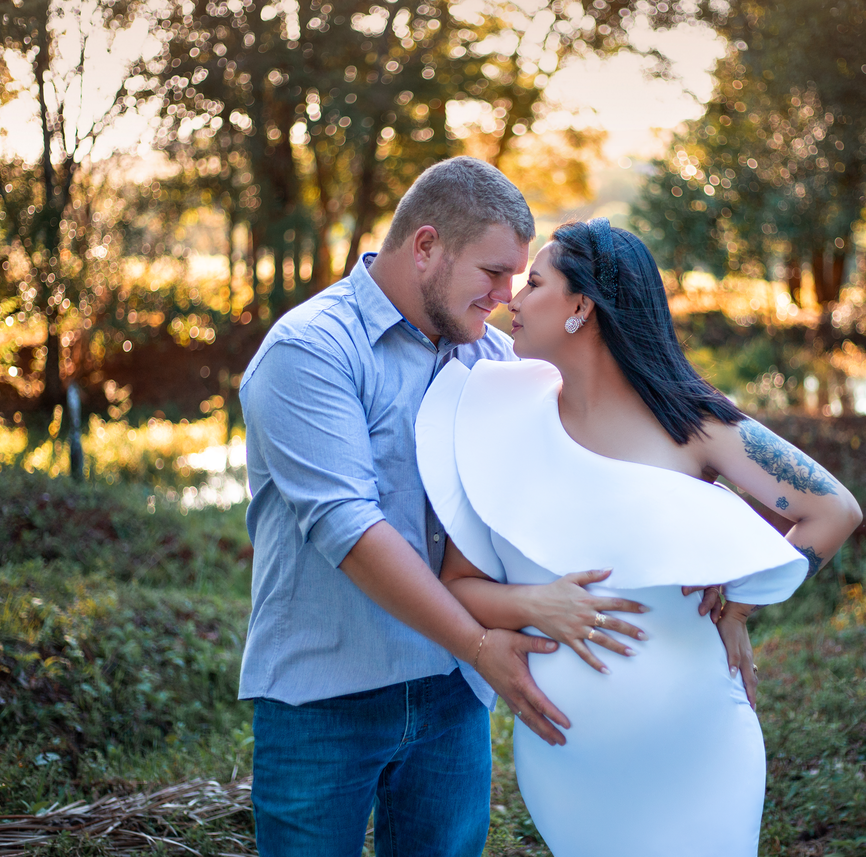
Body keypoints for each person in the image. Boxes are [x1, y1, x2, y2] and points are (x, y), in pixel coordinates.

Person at [415, 218, 864, 856]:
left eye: (534, 283)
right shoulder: (496, 414)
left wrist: (739, 601)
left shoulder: (694, 422)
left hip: (701, 750)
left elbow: (833, 510)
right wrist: (536, 604)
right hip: (571, 770)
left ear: (581, 306)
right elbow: (458, 586)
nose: (512, 300)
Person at [238, 158, 609, 856]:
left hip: (451, 698)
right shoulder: (310, 349)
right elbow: (351, 529)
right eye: (493, 273)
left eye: (517, 278)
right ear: (427, 246)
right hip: (325, 698)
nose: (506, 296)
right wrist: (478, 644)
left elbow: (590, 462)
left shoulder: (494, 362)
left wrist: (702, 564)